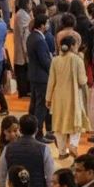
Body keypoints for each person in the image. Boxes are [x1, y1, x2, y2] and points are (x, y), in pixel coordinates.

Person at [46, 35, 91, 159]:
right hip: (74, 97)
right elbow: (82, 81)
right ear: (72, 46)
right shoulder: (77, 60)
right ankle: (73, 145)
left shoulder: (55, 60)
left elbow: (51, 81)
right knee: (76, 122)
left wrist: (48, 98)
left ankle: (61, 152)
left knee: (59, 124)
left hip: (58, 97)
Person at [0, 114, 55, 187]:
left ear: (20, 130)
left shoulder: (8, 148)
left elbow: (1, 176)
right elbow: (50, 177)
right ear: (36, 130)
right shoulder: (44, 149)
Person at [27, 14, 53, 142]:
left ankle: (31, 131)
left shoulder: (32, 36)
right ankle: (38, 134)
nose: (48, 25)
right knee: (41, 106)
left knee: (34, 105)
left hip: (34, 75)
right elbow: (45, 61)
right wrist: (52, 71)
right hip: (42, 77)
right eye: (47, 23)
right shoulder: (39, 40)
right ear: (42, 25)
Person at [13, 0, 32, 98]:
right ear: (26, 4)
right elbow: (25, 34)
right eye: (30, 3)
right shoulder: (23, 15)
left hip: (21, 46)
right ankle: (24, 91)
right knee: (22, 69)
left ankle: (24, 90)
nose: (31, 5)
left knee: (22, 69)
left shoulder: (22, 14)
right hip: (22, 47)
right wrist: (26, 50)